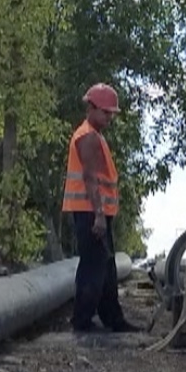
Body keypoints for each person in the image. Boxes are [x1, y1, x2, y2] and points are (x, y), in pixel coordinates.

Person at [63, 83, 136, 333]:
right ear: (91, 108)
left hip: (95, 212)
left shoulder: (94, 135)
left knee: (106, 268)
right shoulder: (89, 137)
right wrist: (98, 216)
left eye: (111, 113)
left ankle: (113, 319)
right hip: (90, 213)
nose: (110, 118)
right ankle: (82, 321)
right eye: (106, 112)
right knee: (93, 269)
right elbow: (90, 178)